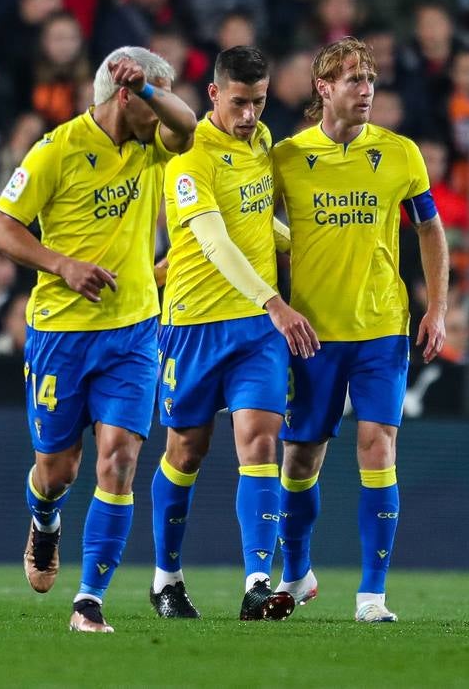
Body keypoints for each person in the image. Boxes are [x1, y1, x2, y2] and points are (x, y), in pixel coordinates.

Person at [0, 47, 197, 633]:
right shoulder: (55, 150)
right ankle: (45, 519)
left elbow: (188, 125)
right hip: (61, 334)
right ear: (123, 97)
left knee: (120, 459)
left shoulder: (153, 144)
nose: (162, 108)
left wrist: (152, 91)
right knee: (57, 471)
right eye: (152, 96)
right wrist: (62, 265)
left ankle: (89, 601)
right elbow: (0, 229)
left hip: (133, 332)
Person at [271, 37, 448, 623]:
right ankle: (297, 574)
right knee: (301, 460)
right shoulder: (288, 158)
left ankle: (372, 596)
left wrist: (438, 307)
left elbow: (429, 229)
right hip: (312, 333)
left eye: (370, 78)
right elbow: (253, 225)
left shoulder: (400, 153)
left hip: (381, 327)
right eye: (353, 79)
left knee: (378, 445)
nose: (366, 89)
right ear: (323, 88)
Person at [148, 46, 316, 622]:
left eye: (260, 102)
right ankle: (167, 579)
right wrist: (277, 301)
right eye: (240, 103)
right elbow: (216, 242)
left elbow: (257, 223)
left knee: (261, 442)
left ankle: (257, 583)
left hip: (256, 330)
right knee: (186, 451)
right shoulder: (189, 158)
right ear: (214, 94)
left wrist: (311, 244)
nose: (250, 115)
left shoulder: (263, 141)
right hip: (194, 324)